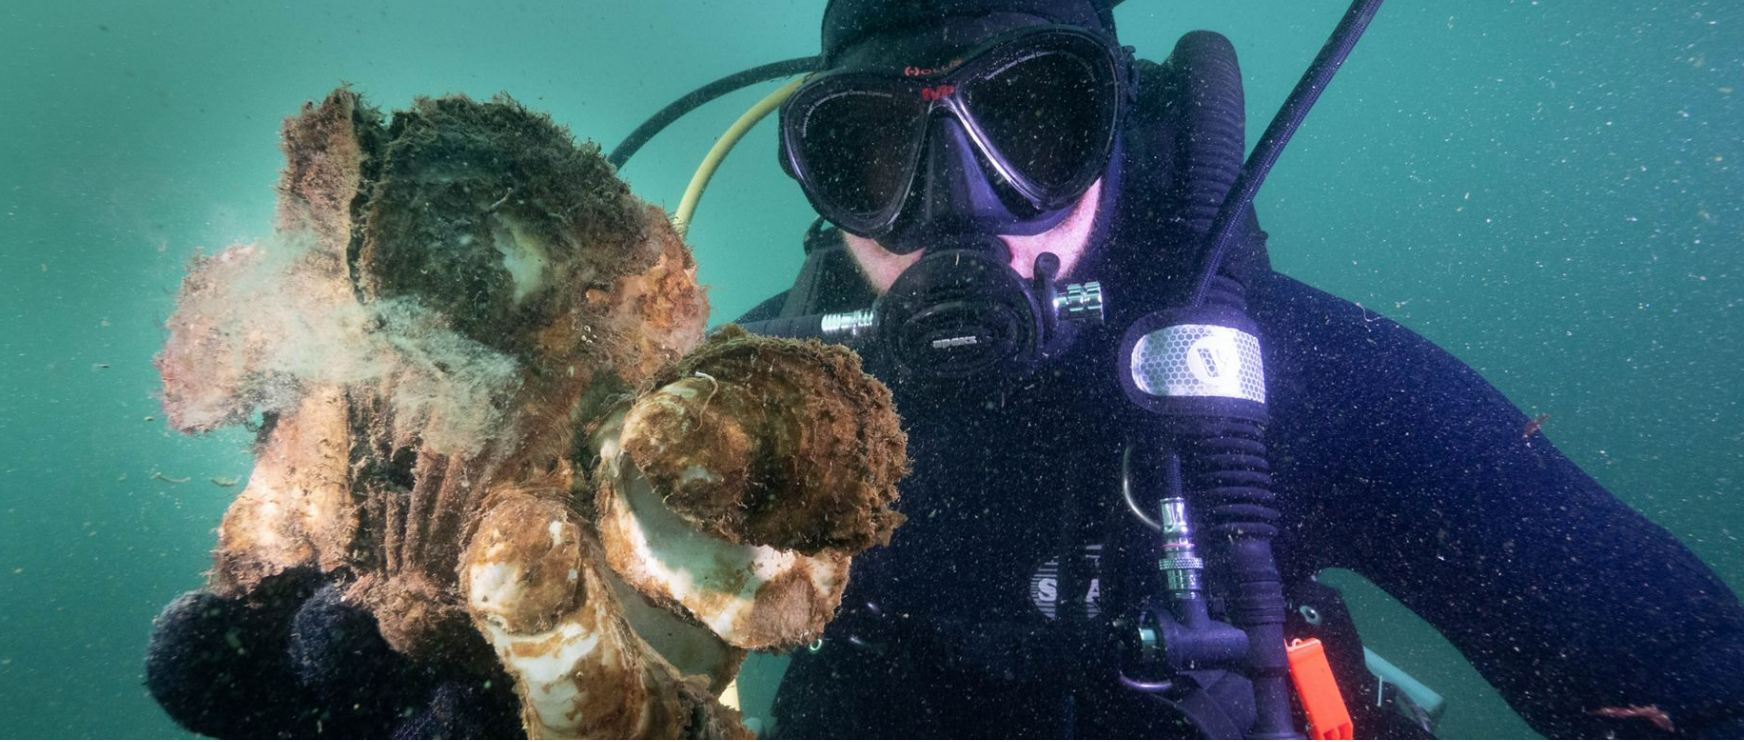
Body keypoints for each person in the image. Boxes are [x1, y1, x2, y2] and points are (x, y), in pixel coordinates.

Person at [144, 0, 1744, 738]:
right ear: (818, 178)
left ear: (1118, 121)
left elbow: (1681, 657)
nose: (961, 222)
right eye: (879, 155)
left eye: (1029, 127)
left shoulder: (1296, 382)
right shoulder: (719, 413)